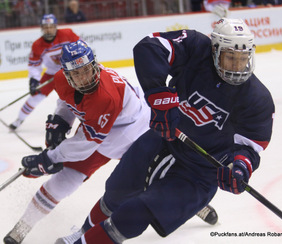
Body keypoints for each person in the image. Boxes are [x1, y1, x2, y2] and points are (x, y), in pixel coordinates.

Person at [55, 18, 275, 243]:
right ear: (214, 50)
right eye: (230, 57)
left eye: (242, 58)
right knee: (116, 190)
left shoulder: (257, 98)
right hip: (164, 138)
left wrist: (239, 167)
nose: (237, 66)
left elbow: (251, 145)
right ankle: (82, 232)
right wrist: (160, 98)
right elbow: (149, 47)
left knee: (136, 212)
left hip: (199, 171)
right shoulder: (196, 48)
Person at [3, 40, 216, 244]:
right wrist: (61, 121)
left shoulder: (104, 96)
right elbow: (67, 101)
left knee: (153, 177)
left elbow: (85, 143)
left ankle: (193, 205)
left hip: (134, 130)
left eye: (87, 70)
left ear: (94, 65)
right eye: (76, 74)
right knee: (63, 180)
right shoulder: (62, 79)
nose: (84, 78)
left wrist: (48, 158)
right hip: (105, 127)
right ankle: (22, 227)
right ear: (66, 75)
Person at [9, 13, 80, 130]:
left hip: (69, 74)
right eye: (46, 27)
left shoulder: (67, 34)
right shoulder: (37, 45)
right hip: (51, 75)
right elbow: (34, 65)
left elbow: (81, 47)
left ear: (56, 26)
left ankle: (62, 123)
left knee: (70, 99)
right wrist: (34, 80)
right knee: (35, 96)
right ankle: (19, 120)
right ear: (42, 28)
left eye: (51, 26)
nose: (48, 30)